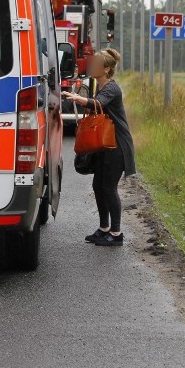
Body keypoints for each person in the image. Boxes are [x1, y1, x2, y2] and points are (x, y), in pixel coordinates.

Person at [62, 48, 136, 246]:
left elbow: (98, 104)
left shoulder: (111, 88)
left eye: (96, 64)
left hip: (117, 145)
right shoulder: (101, 86)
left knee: (109, 188)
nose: (91, 66)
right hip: (105, 144)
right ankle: (104, 228)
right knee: (98, 186)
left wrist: (79, 99)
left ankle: (117, 233)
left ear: (106, 70)